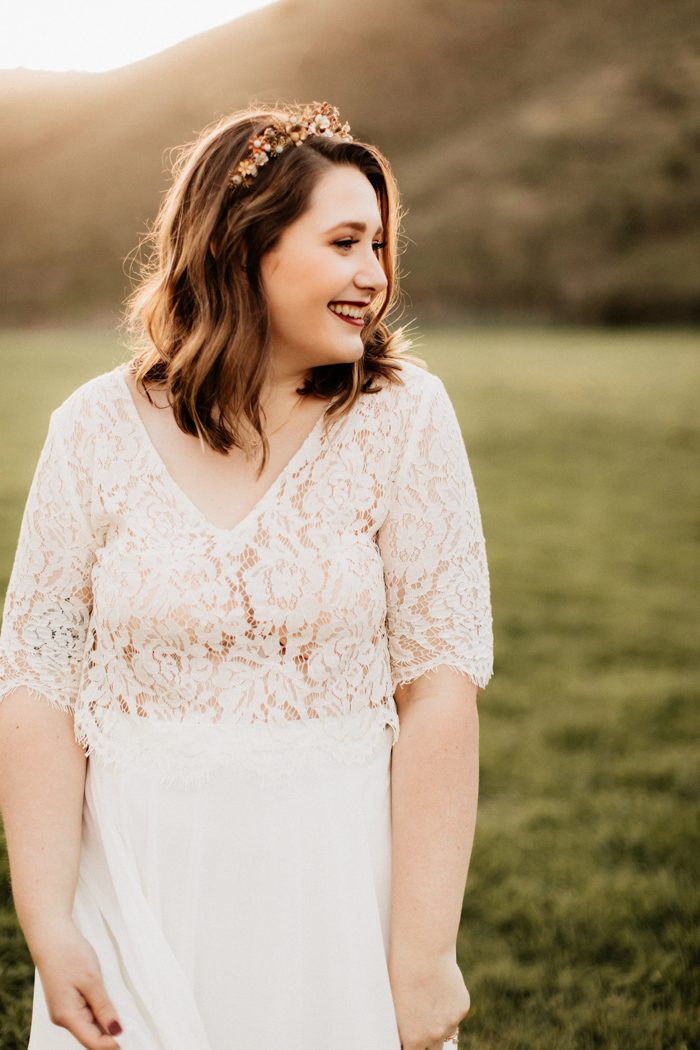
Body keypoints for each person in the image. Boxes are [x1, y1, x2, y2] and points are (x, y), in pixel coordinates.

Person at [0, 100, 494, 1050]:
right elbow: (36, 682)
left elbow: (441, 689)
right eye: (347, 241)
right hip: (134, 883)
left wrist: (423, 953)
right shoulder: (91, 431)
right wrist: (50, 920)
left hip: (334, 886)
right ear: (243, 248)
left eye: (381, 246)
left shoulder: (405, 421)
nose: (376, 276)